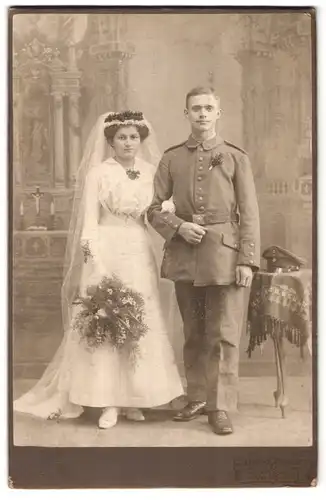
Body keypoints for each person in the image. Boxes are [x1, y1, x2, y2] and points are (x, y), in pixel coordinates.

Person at [14, 110, 184, 429]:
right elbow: (89, 223)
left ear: (141, 140)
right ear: (110, 141)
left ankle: (135, 398)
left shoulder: (151, 171)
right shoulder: (98, 174)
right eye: (121, 137)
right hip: (106, 247)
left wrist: (171, 208)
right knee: (107, 318)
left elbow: (159, 209)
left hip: (138, 248)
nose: (128, 142)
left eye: (134, 137)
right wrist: (95, 260)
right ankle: (108, 401)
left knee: (140, 318)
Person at [147, 86, 260, 435]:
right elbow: (152, 209)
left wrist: (247, 260)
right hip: (185, 256)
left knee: (223, 334)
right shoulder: (171, 158)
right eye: (195, 108)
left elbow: (250, 213)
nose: (202, 114)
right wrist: (178, 227)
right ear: (186, 113)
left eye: (208, 108)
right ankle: (196, 396)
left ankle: (220, 404)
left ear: (218, 113)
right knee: (193, 332)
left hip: (224, 257)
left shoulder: (235, 157)